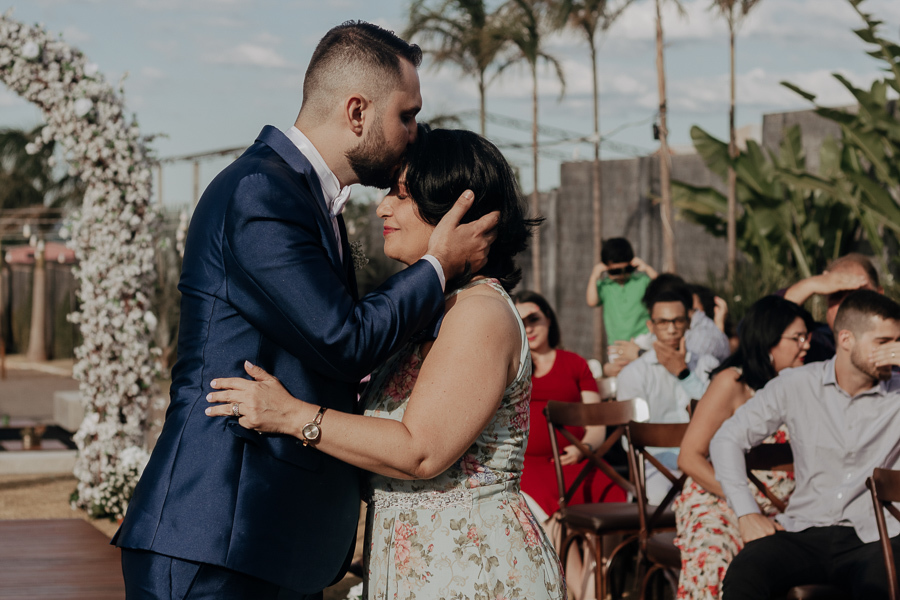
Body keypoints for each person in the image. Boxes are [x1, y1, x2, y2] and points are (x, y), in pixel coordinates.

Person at [113, 23, 498, 600]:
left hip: (272, 539)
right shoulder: (261, 194)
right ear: (357, 111)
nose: (415, 135)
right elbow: (343, 341)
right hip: (218, 533)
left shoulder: (309, 201)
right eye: (407, 115)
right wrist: (437, 266)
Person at [206, 126, 566, 600]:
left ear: (455, 209)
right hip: (423, 569)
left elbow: (420, 450)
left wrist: (292, 416)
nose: (382, 208)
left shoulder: (479, 312)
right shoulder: (434, 308)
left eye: (400, 195)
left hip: (477, 574)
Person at [710, 290, 900, 599]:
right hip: (805, 530)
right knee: (746, 571)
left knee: (881, 583)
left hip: (879, 536)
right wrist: (746, 512)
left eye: (899, 342)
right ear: (847, 340)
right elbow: (726, 438)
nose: (895, 352)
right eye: (884, 342)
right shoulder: (797, 383)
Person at [673, 296, 811, 599]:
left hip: (789, 509)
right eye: (797, 337)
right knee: (716, 554)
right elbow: (689, 457)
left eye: (807, 336)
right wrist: (746, 506)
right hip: (719, 500)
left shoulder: (808, 384)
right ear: (767, 340)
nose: (807, 345)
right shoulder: (732, 382)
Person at [616, 277, 719, 504]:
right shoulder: (632, 374)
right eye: (663, 322)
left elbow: (719, 417)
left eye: (678, 321)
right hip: (656, 465)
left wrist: (684, 374)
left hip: (705, 462)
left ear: (688, 323)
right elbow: (630, 439)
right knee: (666, 502)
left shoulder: (707, 365)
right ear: (651, 326)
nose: (671, 329)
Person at [782, 253, 882, 363]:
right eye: (836, 295)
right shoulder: (813, 343)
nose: (846, 304)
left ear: (879, 294)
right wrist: (810, 285)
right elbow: (768, 325)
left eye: (857, 294)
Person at [585, 237, 658, 377]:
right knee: (624, 379)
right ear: (606, 268)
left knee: (648, 375)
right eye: (615, 271)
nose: (622, 275)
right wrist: (594, 276)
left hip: (644, 338)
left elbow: (663, 288)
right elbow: (592, 301)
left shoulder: (642, 280)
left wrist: (647, 269)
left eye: (626, 269)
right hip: (617, 344)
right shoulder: (605, 285)